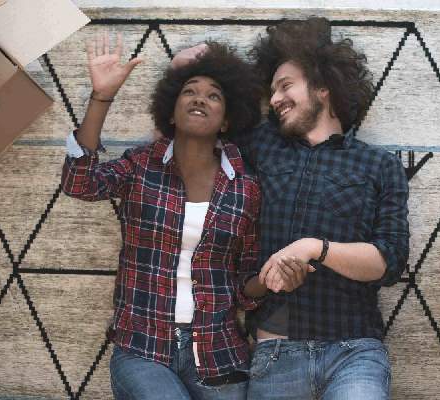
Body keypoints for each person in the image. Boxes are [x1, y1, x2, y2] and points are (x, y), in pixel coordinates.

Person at [175, 17, 410, 400]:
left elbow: (389, 262)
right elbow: (191, 137)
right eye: (272, 91)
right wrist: (184, 69)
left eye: (286, 86)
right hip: (276, 352)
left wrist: (313, 247)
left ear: (323, 88)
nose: (277, 98)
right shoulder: (260, 145)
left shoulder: (378, 164)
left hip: (353, 348)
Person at [61, 33, 263, 400]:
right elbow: (80, 183)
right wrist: (101, 97)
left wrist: (267, 281)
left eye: (214, 94)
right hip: (143, 347)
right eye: (189, 90)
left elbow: (243, 281)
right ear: (170, 109)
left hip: (219, 355)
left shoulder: (245, 188)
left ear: (226, 121)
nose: (200, 97)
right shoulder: (141, 166)